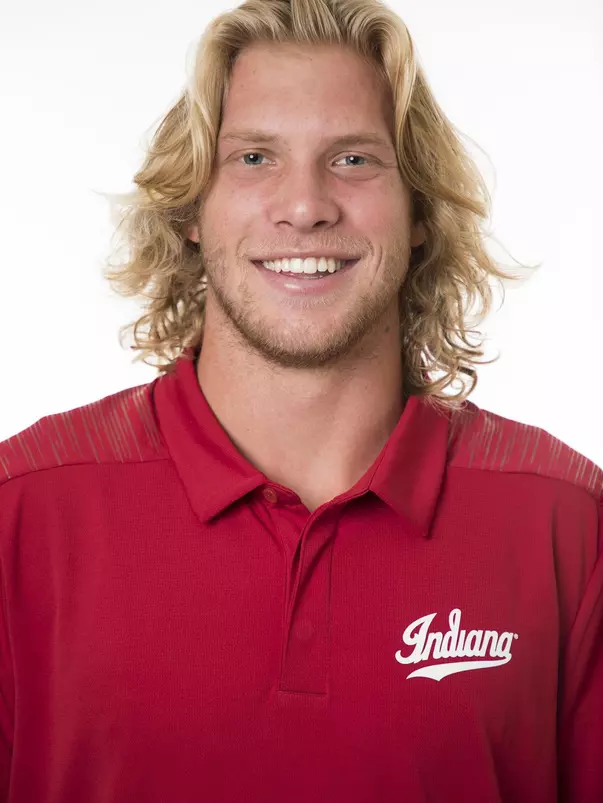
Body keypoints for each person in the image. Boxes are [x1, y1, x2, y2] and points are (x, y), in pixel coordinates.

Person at [0, 0, 601, 800]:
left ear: (420, 210)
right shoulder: (25, 510)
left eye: (353, 160)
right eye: (253, 158)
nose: (306, 205)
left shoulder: (564, 521)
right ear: (189, 208)